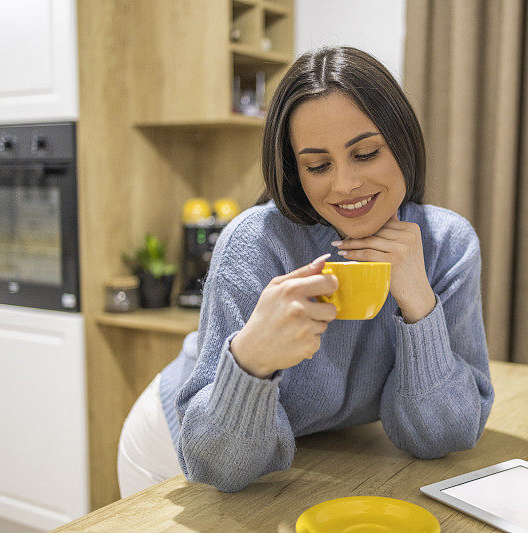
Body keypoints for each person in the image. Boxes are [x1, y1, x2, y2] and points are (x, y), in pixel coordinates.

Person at [117, 46, 494, 497]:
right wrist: (252, 361)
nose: (345, 184)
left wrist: (418, 303)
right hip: (179, 448)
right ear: (296, 173)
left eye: (366, 153)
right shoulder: (255, 244)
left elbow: (443, 437)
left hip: (317, 454)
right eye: (318, 165)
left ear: (402, 140)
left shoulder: (448, 245)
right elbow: (223, 466)